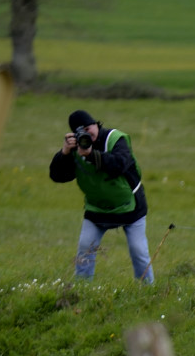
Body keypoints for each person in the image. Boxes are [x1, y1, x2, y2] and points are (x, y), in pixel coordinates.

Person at [49, 109, 153, 283]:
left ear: (96, 124)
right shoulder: (76, 149)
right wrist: (65, 152)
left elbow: (119, 165)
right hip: (97, 208)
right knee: (85, 248)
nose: (88, 134)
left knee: (138, 250)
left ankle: (148, 289)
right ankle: (82, 290)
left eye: (89, 128)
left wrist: (91, 155)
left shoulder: (115, 139)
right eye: (82, 132)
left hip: (130, 206)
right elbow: (58, 176)